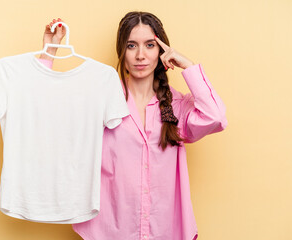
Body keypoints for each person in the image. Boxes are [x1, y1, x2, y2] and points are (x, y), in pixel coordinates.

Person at [38, 12, 227, 240]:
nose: (140, 55)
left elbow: (215, 117)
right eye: (131, 46)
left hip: (165, 232)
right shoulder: (101, 99)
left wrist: (187, 65)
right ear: (122, 52)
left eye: (149, 45)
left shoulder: (176, 106)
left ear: (161, 50)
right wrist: (49, 51)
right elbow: (47, 116)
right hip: (110, 232)